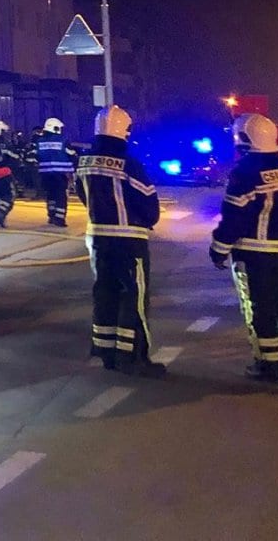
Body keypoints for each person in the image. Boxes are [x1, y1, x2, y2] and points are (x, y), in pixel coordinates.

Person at [76, 104, 165, 376]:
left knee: (104, 292)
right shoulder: (130, 164)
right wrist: (145, 221)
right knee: (133, 297)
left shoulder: (84, 160)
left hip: (98, 238)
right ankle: (132, 356)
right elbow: (148, 204)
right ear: (125, 131)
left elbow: (83, 195)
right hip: (129, 241)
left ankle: (106, 351)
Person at [209, 112, 278, 383]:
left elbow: (234, 218)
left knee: (260, 309)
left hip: (256, 256)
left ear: (244, 139)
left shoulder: (244, 173)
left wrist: (219, 249)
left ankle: (269, 365)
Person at [35, 117, 75, 227]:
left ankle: (51, 215)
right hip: (60, 173)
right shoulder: (62, 140)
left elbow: (36, 156)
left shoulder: (39, 141)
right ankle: (59, 218)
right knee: (60, 196)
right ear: (55, 128)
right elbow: (71, 153)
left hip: (45, 173)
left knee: (50, 195)